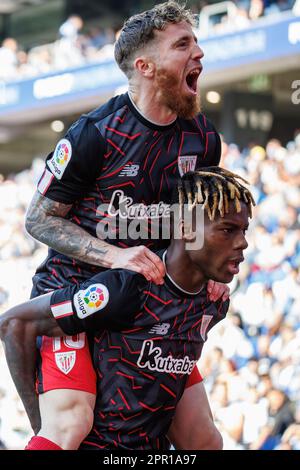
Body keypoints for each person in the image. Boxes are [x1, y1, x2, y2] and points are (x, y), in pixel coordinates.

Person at [13, 1, 228, 450]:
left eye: (198, 41)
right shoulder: (94, 134)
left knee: (203, 438)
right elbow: (37, 218)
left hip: (151, 304)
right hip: (78, 297)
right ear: (146, 66)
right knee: (70, 424)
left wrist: (207, 272)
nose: (200, 53)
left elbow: (195, 223)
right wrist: (115, 255)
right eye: (183, 44)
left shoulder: (203, 138)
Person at [0, 167, 254, 450]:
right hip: (96, 444)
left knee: (206, 442)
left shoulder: (215, 302)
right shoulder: (125, 290)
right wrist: (39, 423)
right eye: (228, 230)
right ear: (186, 228)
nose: (243, 242)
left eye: (243, 230)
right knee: (67, 425)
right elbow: (14, 323)